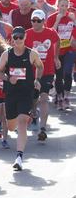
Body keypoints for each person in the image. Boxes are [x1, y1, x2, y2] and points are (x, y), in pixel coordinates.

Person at [0, 27, 44, 171]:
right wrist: (8, 78)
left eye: (20, 37)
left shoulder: (32, 54)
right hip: (11, 94)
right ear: (12, 39)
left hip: (26, 93)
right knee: (11, 126)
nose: (18, 40)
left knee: (22, 122)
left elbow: (40, 67)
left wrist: (37, 79)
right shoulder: (6, 54)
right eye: (15, 37)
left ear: (25, 37)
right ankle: (15, 126)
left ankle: (19, 157)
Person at [25, 9, 60, 140]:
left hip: (47, 71)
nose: (35, 23)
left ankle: (43, 128)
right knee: (34, 98)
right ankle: (34, 113)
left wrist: (56, 57)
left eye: (38, 21)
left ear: (43, 21)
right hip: (31, 72)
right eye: (33, 20)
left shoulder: (51, 33)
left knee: (44, 98)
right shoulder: (27, 34)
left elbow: (58, 42)